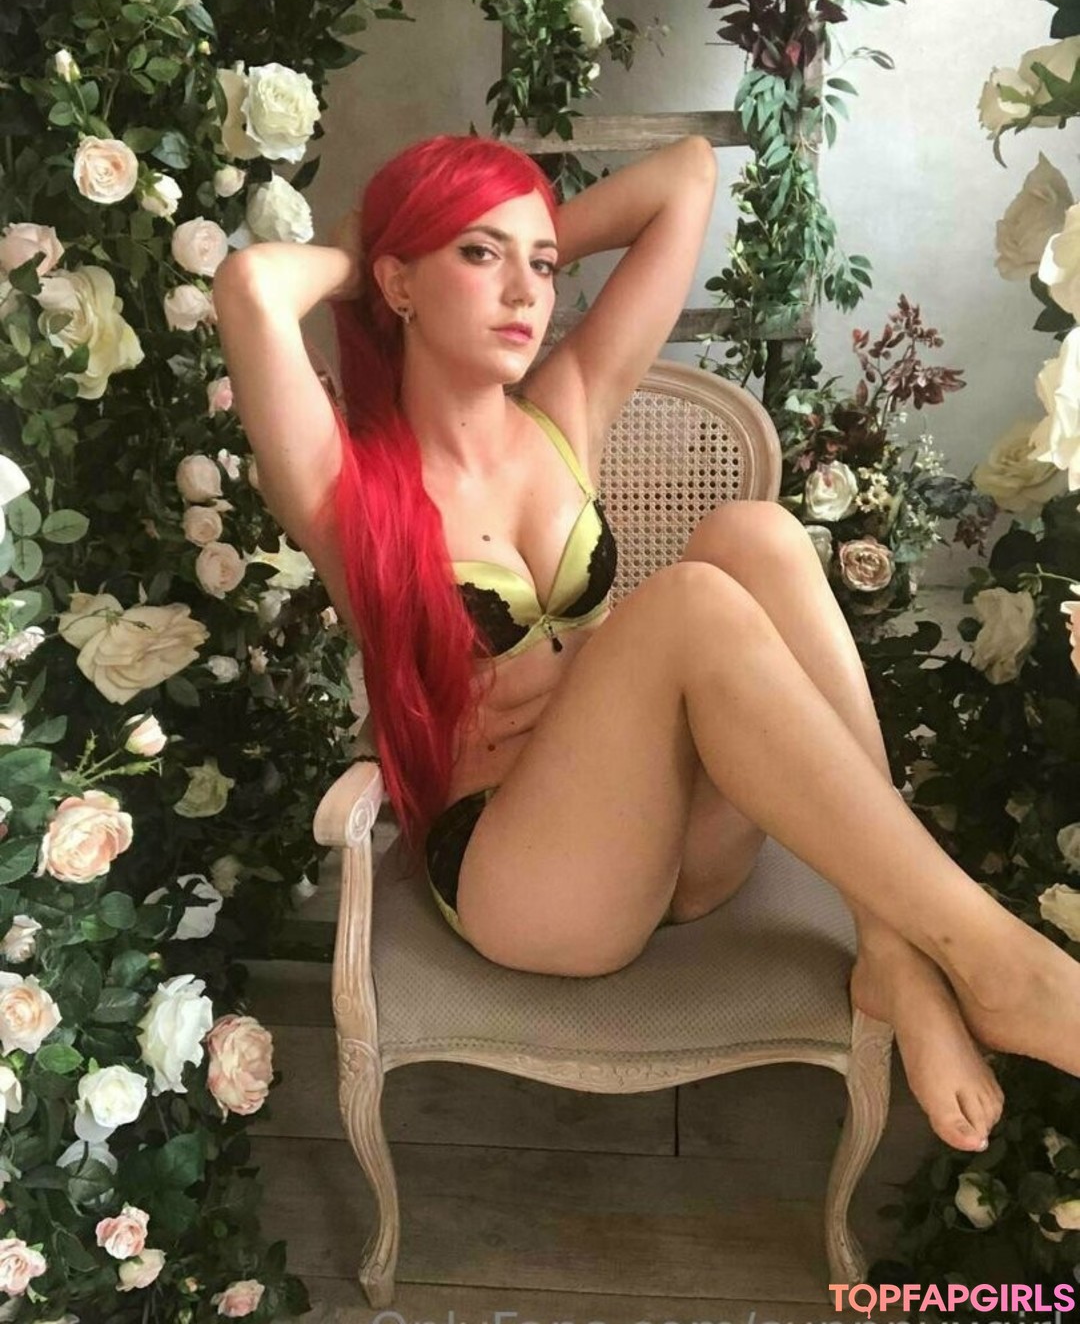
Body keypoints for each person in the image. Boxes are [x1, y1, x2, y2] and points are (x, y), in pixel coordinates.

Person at [213, 131, 1080, 1163]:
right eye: (480, 255)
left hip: (674, 849)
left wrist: (497, 233)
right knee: (688, 602)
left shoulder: (563, 411)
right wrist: (374, 250)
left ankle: (893, 945)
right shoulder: (346, 484)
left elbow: (688, 175)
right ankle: (998, 960)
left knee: (754, 533)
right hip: (525, 883)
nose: (526, 292)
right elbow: (251, 289)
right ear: (400, 284)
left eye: (542, 263)